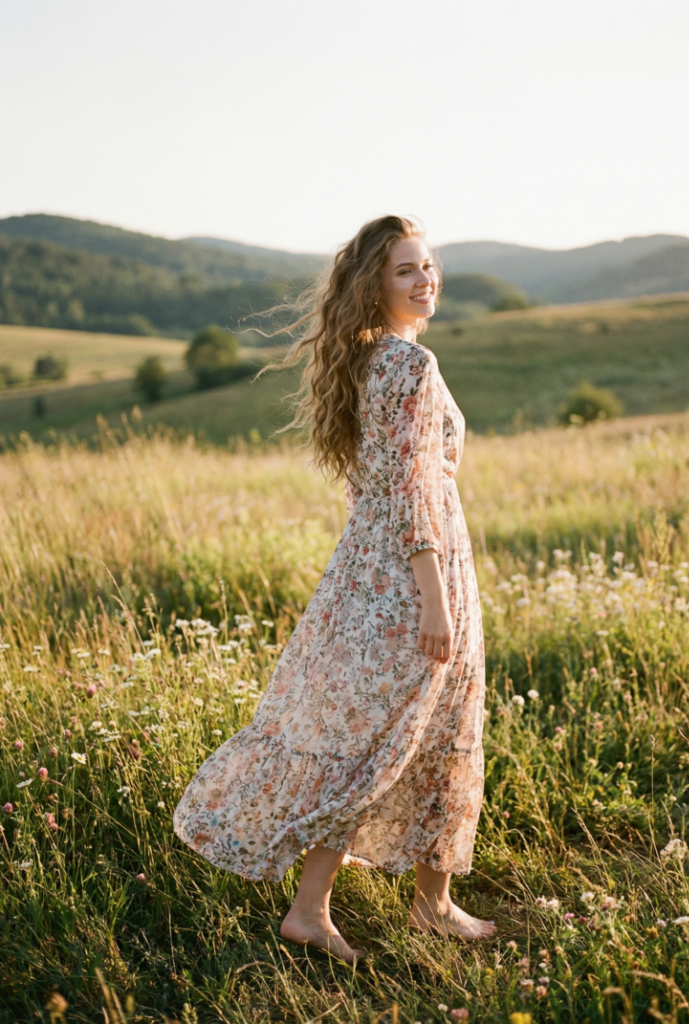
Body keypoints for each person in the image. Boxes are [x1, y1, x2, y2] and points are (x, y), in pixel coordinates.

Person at [173, 215, 495, 962]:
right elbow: (413, 491)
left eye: (427, 267)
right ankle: (353, 909)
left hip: (367, 570)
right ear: (373, 287)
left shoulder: (367, 362)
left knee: (380, 736)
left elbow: (366, 488)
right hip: (420, 570)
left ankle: (422, 902)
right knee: (419, 733)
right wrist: (433, 598)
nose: (425, 281)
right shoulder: (409, 367)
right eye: (405, 271)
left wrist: (378, 569)